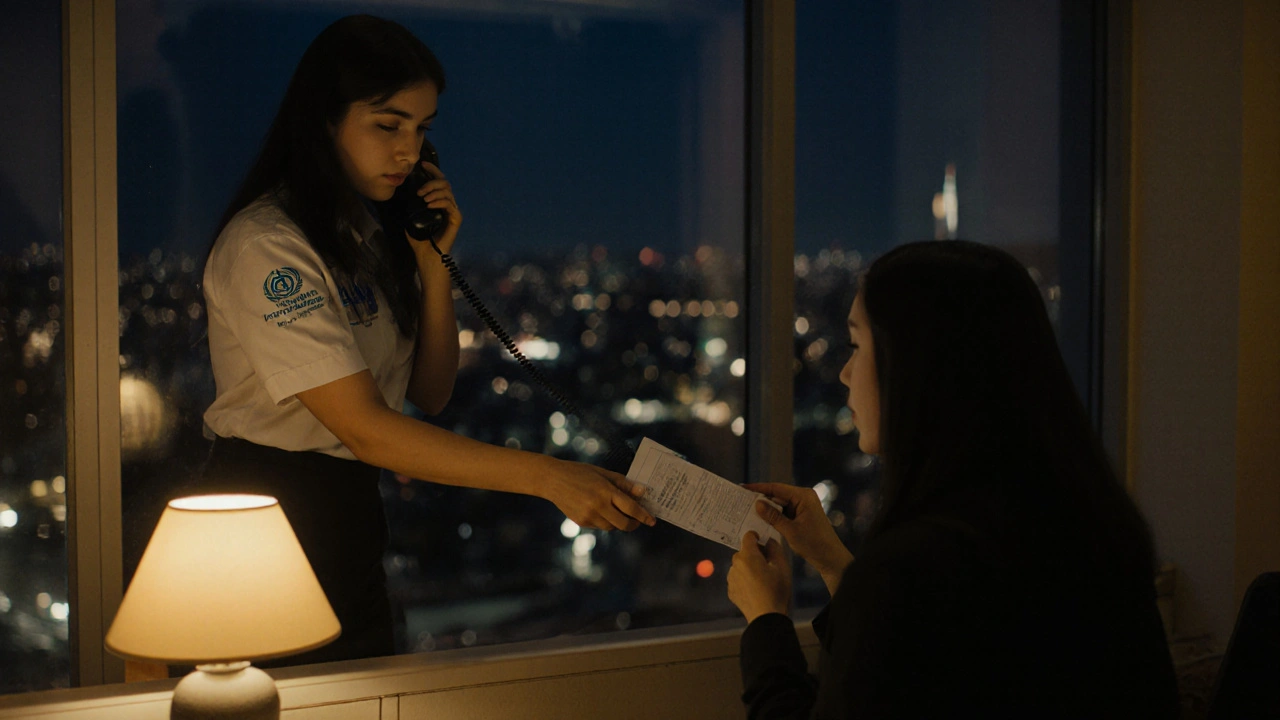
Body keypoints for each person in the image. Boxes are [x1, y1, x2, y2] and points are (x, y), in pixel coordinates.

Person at [196, 14, 654, 667]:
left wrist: (432, 259)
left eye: (421, 130)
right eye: (388, 125)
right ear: (326, 120)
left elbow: (432, 391)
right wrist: (548, 477)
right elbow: (367, 430)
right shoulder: (269, 246)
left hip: (348, 522)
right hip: (270, 512)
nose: (409, 152)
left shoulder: (361, 239)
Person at [727, 240, 1180, 717]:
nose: (843, 373)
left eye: (857, 346)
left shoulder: (911, 572)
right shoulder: (1086, 529)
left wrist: (766, 623)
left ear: (916, 368)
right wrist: (838, 566)